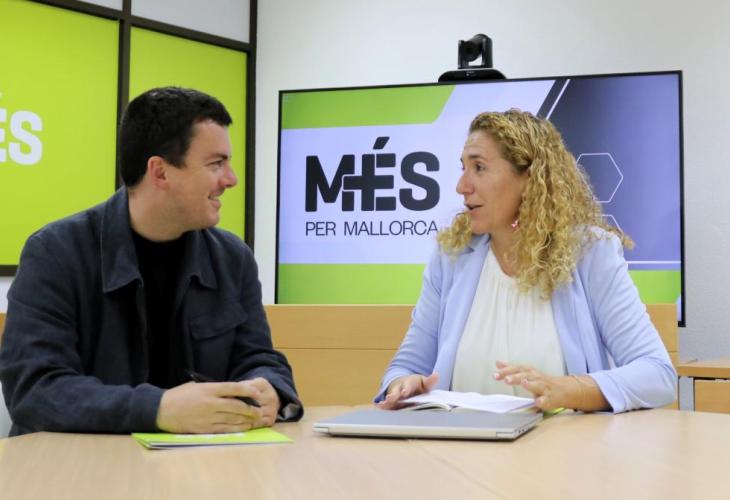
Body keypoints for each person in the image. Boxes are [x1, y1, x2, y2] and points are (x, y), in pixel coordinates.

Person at [0, 87, 302, 436]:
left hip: (201, 463)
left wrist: (270, 387)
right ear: (159, 172)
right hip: (79, 463)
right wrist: (158, 409)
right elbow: (35, 390)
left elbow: (258, 357)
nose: (231, 179)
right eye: (216, 164)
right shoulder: (55, 253)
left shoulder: (233, 258)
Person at [376, 109, 676, 413]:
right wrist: (402, 383)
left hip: (567, 442)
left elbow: (657, 374)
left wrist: (569, 390)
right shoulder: (451, 257)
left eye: (479, 167)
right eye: (463, 168)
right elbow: (406, 366)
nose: (461, 186)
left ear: (529, 178)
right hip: (464, 441)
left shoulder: (590, 253)